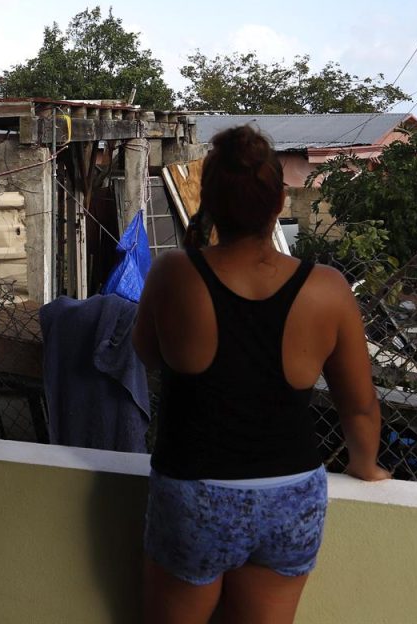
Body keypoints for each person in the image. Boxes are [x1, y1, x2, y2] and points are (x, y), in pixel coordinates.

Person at [133, 125, 388, 624]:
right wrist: (366, 466)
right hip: (290, 498)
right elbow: (359, 405)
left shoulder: (173, 275)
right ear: (279, 202)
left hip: (194, 493)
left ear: (208, 201)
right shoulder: (328, 288)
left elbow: (146, 352)